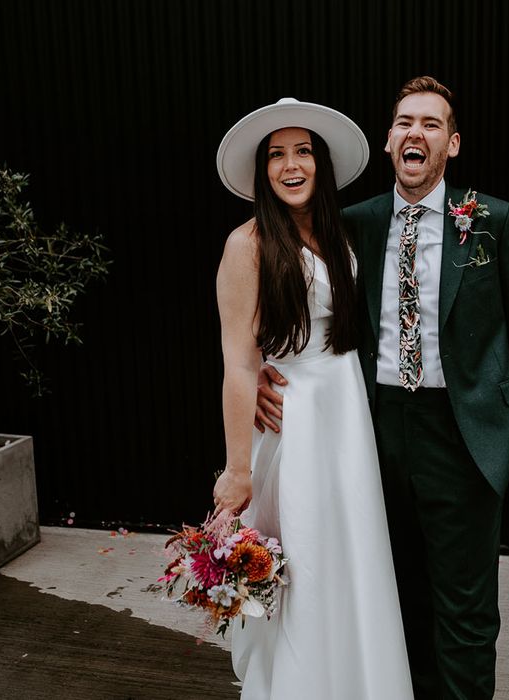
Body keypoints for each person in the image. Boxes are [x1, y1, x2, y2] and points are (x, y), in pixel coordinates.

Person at [257, 77, 509, 698]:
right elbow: (293, 284)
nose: (416, 133)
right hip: (375, 429)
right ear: (390, 141)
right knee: (395, 591)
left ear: (453, 142)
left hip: (463, 434)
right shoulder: (355, 223)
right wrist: (262, 366)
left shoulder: (491, 221)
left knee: (465, 610)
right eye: (404, 122)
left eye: (431, 123)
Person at [212, 98, 414, 700]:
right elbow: (240, 364)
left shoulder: (337, 231)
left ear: (321, 164)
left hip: (347, 417)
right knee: (307, 563)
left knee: (354, 557)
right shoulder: (246, 245)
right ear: (262, 170)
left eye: (303, 152)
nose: (291, 165)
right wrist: (238, 470)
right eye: (277, 155)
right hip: (296, 425)